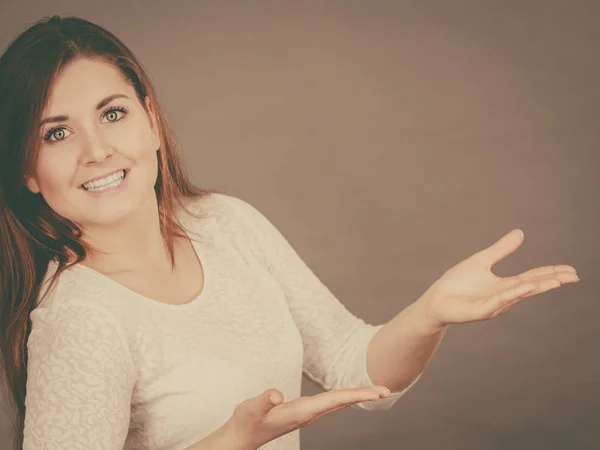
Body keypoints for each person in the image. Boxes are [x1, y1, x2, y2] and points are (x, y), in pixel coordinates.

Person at [0, 15, 579, 450]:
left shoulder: (225, 224)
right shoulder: (82, 318)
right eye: (56, 134)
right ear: (27, 169)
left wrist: (431, 312)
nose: (97, 150)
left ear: (151, 120)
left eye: (112, 113)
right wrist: (230, 441)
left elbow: (356, 366)